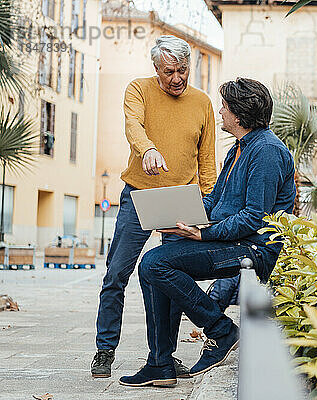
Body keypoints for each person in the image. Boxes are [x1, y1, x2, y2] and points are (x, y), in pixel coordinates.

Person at [118, 78, 295, 387]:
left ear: (239, 115)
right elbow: (216, 200)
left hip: (253, 248)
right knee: (152, 264)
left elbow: (254, 218)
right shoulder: (240, 148)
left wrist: (201, 235)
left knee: (155, 264)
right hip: (234, 240)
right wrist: (180, 216)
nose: (220, 113)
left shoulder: (266, 152)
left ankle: (220, 329)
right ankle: (160, 364)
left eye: (224, 107)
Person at [91, 35, 217, 379]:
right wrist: (147, 148)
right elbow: (134, 125)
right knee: (117, 272)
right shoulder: (139, 89)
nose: (176, 78)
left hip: (183, 202)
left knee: (172, 278)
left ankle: (163, 357)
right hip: (139, 194)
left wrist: (209, 206)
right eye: (169, 71)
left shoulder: (203, 102)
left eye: (182, 70)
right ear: (156, 69)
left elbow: (207, 160)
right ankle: (105, 349)